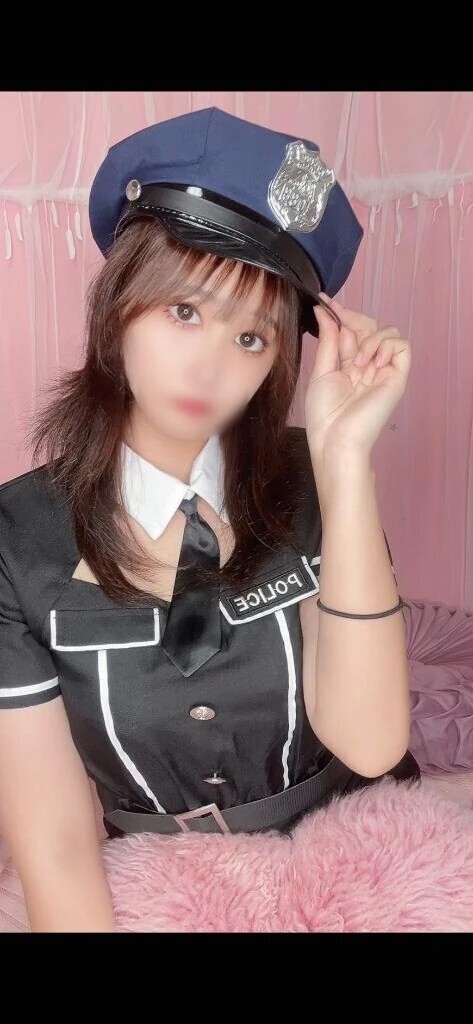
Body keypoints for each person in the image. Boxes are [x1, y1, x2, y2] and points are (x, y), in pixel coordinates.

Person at [0, 107, 419, 933]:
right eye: (184, 312)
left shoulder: (316, 478)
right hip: (151, 887)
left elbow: (370, 745)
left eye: (252, 338)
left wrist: (343, 460)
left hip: (355, 863)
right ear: (119, 306)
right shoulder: (16, 539)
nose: (209, 367)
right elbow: (54, 838)